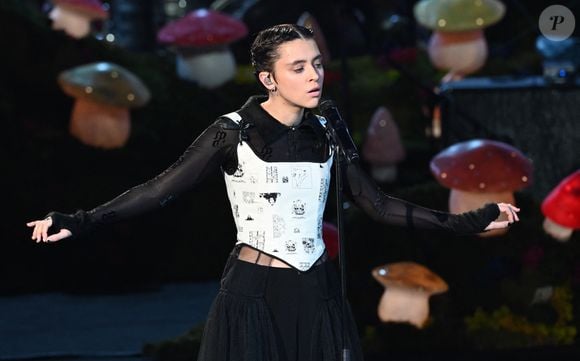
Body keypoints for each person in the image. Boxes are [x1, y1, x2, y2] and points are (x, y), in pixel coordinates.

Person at [27, 24, 520, 361]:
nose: (314, 76)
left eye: (317, 64)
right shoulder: (232, 131)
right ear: (268, 78)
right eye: (298, 68)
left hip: (319, 292)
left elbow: (376, 203)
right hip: (254, 294)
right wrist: (80, 220)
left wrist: (463, 222)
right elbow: (161, 188)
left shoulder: (328, 126)